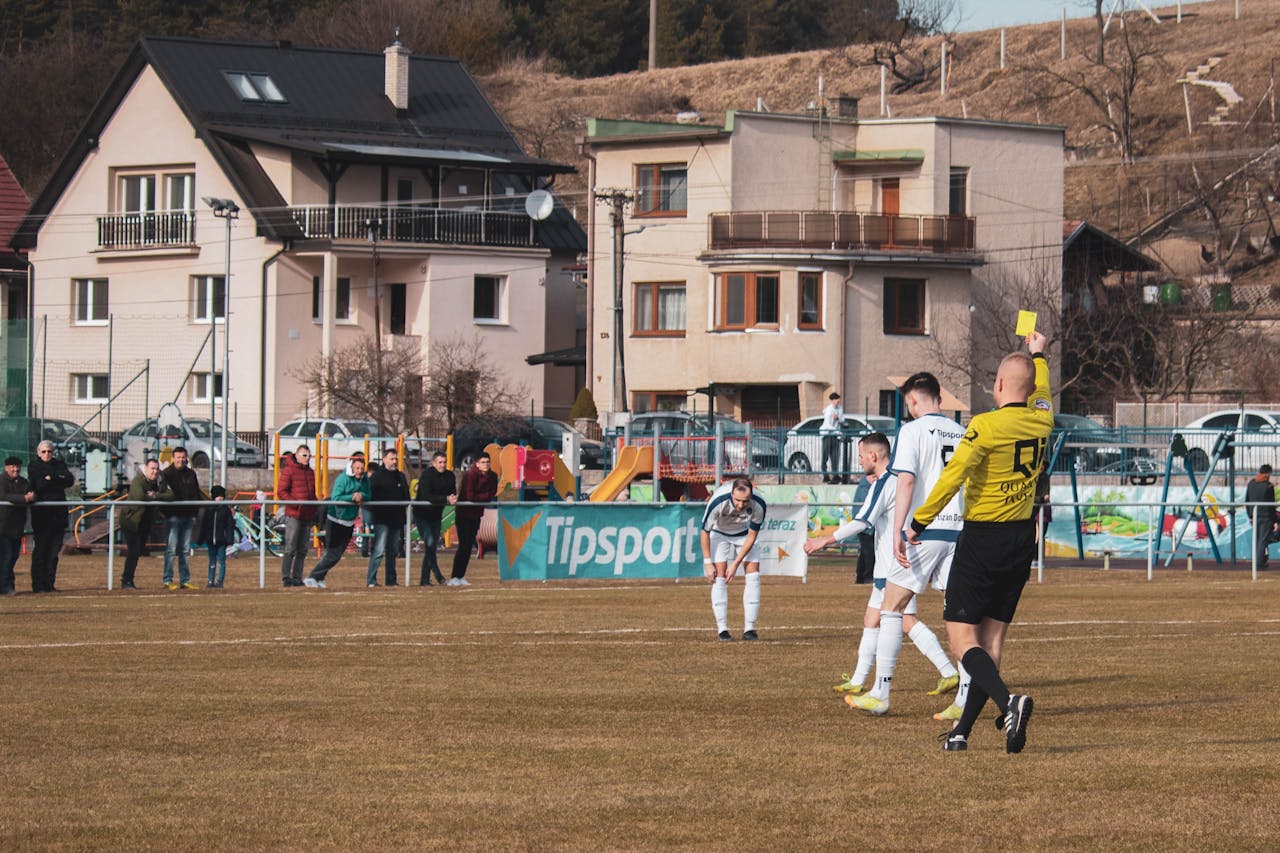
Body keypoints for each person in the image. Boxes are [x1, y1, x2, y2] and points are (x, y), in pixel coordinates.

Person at [907, 331, 1052, 753]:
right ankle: (960, 733)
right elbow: (1041, 390)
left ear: (1001, 385)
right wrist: (1038, 353)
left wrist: (920, 520)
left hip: (984, 537)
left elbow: (954, 477)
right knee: (991, 643)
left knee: (961, 641)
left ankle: (1010, 703)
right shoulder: (1043, 418)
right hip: (1022, 538)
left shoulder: (984, 425)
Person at [804, 433, 957, 707]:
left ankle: (945, 672)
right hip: (898, 560)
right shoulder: (907, 480)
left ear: (873, 456)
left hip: (893, 563)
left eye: (861, 456)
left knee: (902, 620)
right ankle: (859, 679)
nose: (860, 461)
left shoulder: (887, 482)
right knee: (871, 618)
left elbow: (862, 522)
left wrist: (824, 540)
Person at [887, 371, 969, 722]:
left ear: (913, 401)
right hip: (961, 531)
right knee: (959, 618)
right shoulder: (964, 432)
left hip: (925, 529)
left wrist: (898, 531)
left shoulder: (912, 430)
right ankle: (965, 697)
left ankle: (880, 691)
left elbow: (906, 481)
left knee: (892, 607)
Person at [700, 477, 767, 641]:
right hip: (719, 534)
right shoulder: (718, 501)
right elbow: (704, 532)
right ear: (731, 493)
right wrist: (708, 562)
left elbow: (752, 536)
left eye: (745, 501)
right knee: (719, 577)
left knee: (753, 576)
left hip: (744, 535)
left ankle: (749, 629)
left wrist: (735, 564)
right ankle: (722, 629)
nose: (740, 505)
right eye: (737, 500)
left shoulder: (759, 504)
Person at [304, 455, 371, 588]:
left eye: (362, 468)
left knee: (336, 555)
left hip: (349, 521)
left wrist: (362, 495)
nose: (359, 471)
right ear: (352, 467)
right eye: (357, 468)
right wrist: (352, 497)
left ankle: (318, 578)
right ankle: (312, 576)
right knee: (332, 553)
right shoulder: (342, 479)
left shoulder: (365, 480)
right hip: (335, 520)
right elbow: (335, 497)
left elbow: (369, 494)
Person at [28, 440, 75, 593]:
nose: (47, 454)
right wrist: (57, 480)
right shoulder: (34, 466)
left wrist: (52, 478)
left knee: (54, 552)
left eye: (49, 451)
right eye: (44, 452)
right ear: (38, 453)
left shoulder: (59, 464)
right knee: (41, 551)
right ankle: (38, 585)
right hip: (42, 516)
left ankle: (49, 584)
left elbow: (69, 480)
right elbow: (40, 484)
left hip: (58, 516)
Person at [119, 458, 172, 590]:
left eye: (156, 469)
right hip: (130, 520)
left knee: (138, 551)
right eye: (152, 468)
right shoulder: (138, 480)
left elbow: (171, 495)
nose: (154, 471)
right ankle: (127, 580)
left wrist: (156, 495)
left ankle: (128, 579)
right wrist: (152, 497)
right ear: (146, 469)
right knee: (134, 550)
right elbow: (139, 497)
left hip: (145, 522)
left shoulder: (160, 481)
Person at [451, 454, 498, 586]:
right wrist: (484, 496)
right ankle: (454, 576)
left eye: (488, 462)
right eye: (483, 462)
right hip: (464, 514)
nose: (486, 464)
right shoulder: (470, 475)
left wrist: (483, 497)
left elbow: (492, 493)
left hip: (477, 514)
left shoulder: (493, 476)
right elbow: (470, 495)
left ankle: (461, 576)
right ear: (476, 463)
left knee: (469, 546)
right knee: (463, 546)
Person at [160, 447, 203, 590]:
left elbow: (196, 494)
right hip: (173, 517)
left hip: (188, 517)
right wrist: (167, 514)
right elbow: (163, 495)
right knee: (171, 549)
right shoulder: (166, 474)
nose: (180, 460)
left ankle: (184, 580)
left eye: (183, 457)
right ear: (173, 458)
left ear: (186, 458)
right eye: (178, 457)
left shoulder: (191, 474)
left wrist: (194, 514)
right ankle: (167, 579)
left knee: (184, 550)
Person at [367, 448, 410, 587]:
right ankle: (371, 580)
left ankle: (391, 580)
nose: (394, 461)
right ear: (384, 459)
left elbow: (406, 496)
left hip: (396, 520)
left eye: (396, 459)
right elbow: (371, 497)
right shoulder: (377, 477)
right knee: (379, 550)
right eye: (391, 459)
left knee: (393, 551)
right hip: (382, 519)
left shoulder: (400, 476)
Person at [413, 450, 456, 586]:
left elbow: (452, 491)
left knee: (431, 547)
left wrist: (453, 497)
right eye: (440, 462)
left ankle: (424, 580)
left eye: (444, 462)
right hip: (422, 515)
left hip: (436, 515)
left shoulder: (450, 476)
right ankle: (438, 576)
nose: (442, 465)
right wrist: (445, 499)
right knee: (430, 543)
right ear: (433, 463)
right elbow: (427, 496)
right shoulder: (427, 475)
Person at [277, 446, 318, 587]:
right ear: (298, 455)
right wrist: (295, 504)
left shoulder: (311, 473)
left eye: (309, 456)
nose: (307, 458)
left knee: (303, 548)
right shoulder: (289, 470)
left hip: (307, 515)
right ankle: (286, 577)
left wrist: (315, 506)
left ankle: (297, 577)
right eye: (305, 455)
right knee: (290, 547)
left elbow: (312, 493)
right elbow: (281, 491)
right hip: (294, 514)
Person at [0, 456, 34, 595]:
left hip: (18, 526)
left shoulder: (24, 482)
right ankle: (6, 587)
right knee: (6, 556)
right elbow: (4, 496)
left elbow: (30, 494)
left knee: (13, 557)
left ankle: (7, 585)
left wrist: (31, 497)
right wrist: (23, 498)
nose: (16, 469)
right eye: (13, 466)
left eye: (17, 466)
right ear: (6, 467)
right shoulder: (1, 481)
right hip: (3, 526)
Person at [196, 484, 237, 588]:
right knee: (212, 560)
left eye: (222, 496)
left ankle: (220, 581)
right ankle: (210, 580)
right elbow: (204, 525)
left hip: (221, 540)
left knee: (221, 561)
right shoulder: (209, 509)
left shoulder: (225, 510)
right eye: (218, 496)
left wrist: (229, 539)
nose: (220, 498)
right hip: (210, 540)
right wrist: (200, 539)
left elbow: (229, 526)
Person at [1244, 464, 1275, 569]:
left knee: (1257, 540)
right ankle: (1259, 564)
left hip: (1254, 516)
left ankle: (1258, 562)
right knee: (1263, 540)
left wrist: (1250, 516)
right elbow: (1272, 505)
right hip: (1265, 517)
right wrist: (1274, 520)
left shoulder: (1251, 484)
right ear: (1268, 474)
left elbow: (1247, 500)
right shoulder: (1268, 486)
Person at [851, 470, 876, 585]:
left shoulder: (863, 487)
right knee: (869, 552)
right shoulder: (865, 489)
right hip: (865, 526)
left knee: (865, 552)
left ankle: (860, 577)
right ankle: (868, 577)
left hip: (864, 526)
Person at [820, 392, 844, 484]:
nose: (838, 401)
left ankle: (835, 475)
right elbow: (827, 425)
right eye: (836, 400)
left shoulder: (840, 409)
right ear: (832, 401)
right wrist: (836, 430)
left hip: (835, 436)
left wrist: (838, 418)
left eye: (838, 399)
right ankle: (825, 476)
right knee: (825, 456)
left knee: (835, 457)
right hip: (827, 435)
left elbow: (842, 419)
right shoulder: (829, 410)